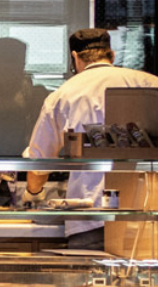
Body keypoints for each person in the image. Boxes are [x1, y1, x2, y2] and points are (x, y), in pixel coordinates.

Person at [23, 27, 158, 244]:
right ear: (111, 55)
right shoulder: (150, 84)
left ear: (75, 58)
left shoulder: (63, 94)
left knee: (90, 277)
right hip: (148, 216)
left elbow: (40, 162)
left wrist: (32, 194)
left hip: (91, 216)